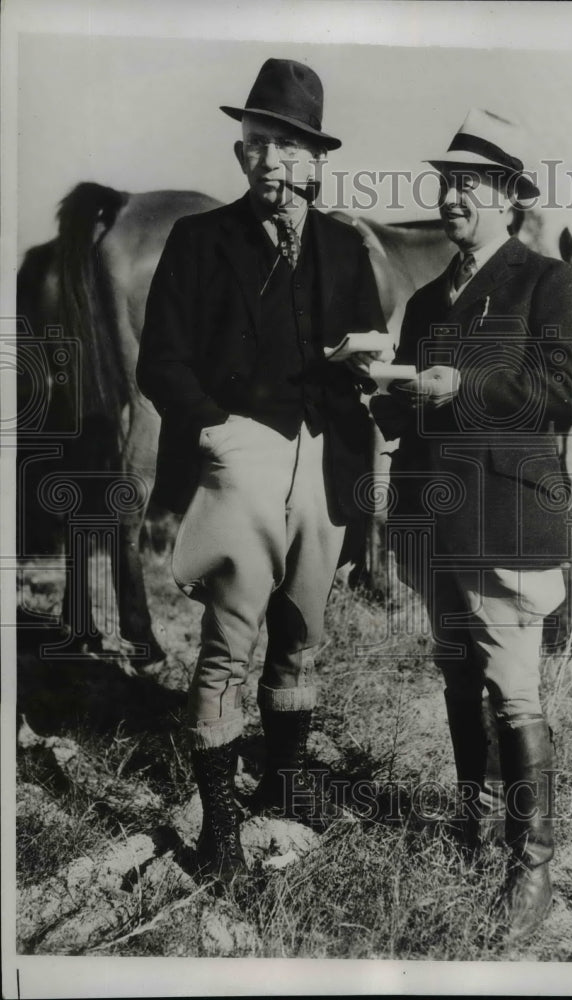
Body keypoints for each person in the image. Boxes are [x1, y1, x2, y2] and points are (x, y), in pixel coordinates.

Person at [136, 58, 385, 885]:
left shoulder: (349, 248)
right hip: (239, 454)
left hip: (324, 457)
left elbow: (373, 354)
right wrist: (216, 431)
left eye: (288, 148)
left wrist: (366, 369)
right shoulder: (199, 241)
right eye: (257, 145)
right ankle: (217, 831)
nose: (271, 162)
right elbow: (160, 363)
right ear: (239, 153)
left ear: (317, 160)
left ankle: (281, 783)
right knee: (226, 647)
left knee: (303, 638)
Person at [372, 109, 572, 943]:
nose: (451, 194)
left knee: (514, 691)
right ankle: (470, 825)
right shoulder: (428, 298)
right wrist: (384, 390)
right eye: (446, 181)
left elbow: (563, 392)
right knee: (460, 679)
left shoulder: (547, 283)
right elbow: (415, 411)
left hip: (509, 518)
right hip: (437, 522)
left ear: (508, 197)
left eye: (468, 183)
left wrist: (451, 386)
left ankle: (530, 867)